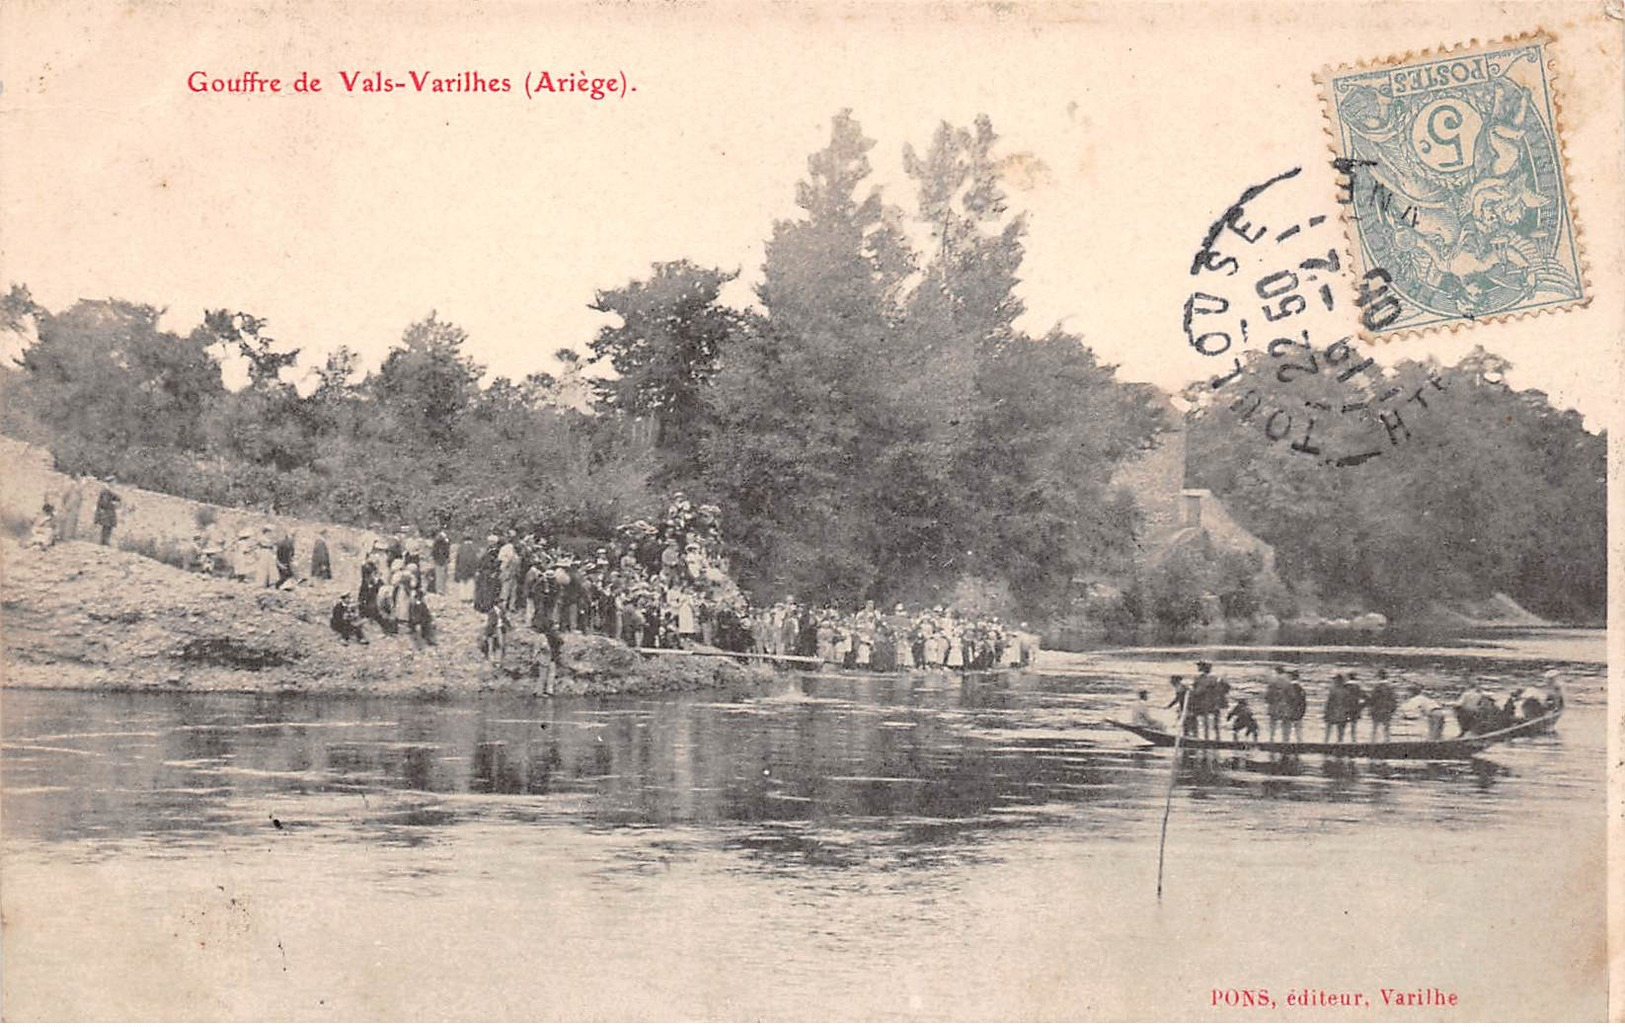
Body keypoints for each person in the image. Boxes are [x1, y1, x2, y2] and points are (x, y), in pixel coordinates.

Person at [1366, 669, 1399, 742]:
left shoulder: (1376, 687)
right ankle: (1387, 741)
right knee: (1387, 727)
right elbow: (1394, 699)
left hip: (1377, 709)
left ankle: (1373, 742)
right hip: (1387, 709)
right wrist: (1393, 709)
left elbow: (1372, 699)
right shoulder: (1390, 688)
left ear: (1379, 677)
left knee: (1375, 727)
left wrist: (1370, 709)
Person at [92, 478, 123, 546]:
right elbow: (105, 503)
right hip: (106, 512)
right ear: (110, 482)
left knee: (108, 527)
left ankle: (105, 541)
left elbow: (117, 498)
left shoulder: (108, 491)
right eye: (114, 482)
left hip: (108, 512)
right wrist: (114, 504)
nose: (115, 484)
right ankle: (104, 542)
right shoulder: (105, 491)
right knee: (106, 527)